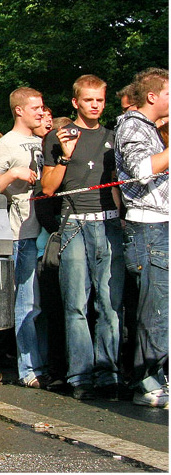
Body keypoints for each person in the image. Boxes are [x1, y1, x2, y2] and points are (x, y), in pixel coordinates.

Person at [42, 74, 123, 401]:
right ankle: (80, 377)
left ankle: (109, 374)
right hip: (74, 224)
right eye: (88, 100)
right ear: (76, 102)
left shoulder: (114, 138)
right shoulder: (57, 136)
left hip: (109, 226)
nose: (95, 105)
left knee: (109, 304)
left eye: (100, 100)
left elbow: (120, 187)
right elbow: (48, 188)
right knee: (75, 304)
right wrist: (65, 154)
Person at [115, 68, 169, 407]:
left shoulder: (148, 127)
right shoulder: (132, 126)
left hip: (159, 225)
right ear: (152, 96)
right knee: (155, 309)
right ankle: (147, 381)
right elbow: (142, 169)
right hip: (148, 227)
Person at [0, 86, 49, 389]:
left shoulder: (42, 141)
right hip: (19, 236)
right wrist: (14, 175)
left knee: (39, 304)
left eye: (42, 107)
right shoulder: (5, 145)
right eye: (36, 107)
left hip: (43, 231)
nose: (41, 111)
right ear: (19, 110)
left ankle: (43, 365)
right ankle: (29, 370)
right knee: (25, 304)